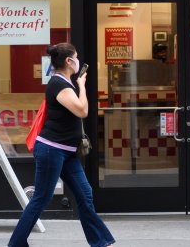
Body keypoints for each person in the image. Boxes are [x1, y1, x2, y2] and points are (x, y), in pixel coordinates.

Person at [8, 43, 115, 247]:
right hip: (51, 150)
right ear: (68, 61)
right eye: (76, 56)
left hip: (67, 152)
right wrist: (82, 85)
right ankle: (16, 243)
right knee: (41, 198)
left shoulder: (64, 83)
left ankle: (100, 241)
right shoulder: (59, 84)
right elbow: (82, 111)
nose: (78, 60)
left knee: (85, 194)